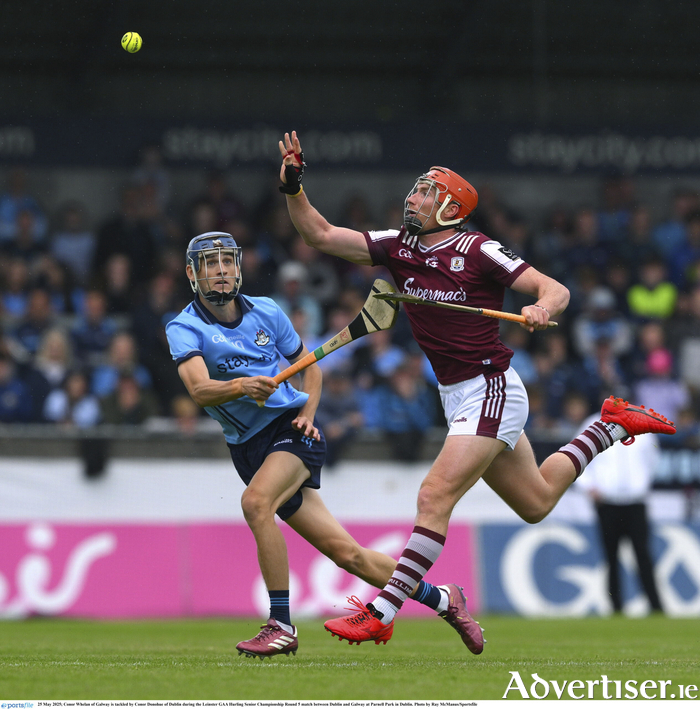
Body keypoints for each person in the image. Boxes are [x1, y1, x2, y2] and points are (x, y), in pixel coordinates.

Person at [277, 130, 677, 647]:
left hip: (490, 387)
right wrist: (293, 188)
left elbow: (556, 289)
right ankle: (609, 425)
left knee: (433, 494)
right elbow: (322, 235)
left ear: (448, 205)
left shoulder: (479, 249)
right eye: (414, 190)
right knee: (535, 502)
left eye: (423, 192)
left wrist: (540, 308)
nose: (411, 198)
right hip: (458, 397)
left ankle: (381, 611)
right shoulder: (397, 248)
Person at [165, 231, 484, 660]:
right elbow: (200, 391)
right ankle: (445, 598)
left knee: (256, 504)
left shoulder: (267, 312)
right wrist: (242, 385)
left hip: (291, 432)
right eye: (210, 264)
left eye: (227, 262)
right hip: (248, 448)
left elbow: (310, 370)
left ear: (238, 266)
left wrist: (308, 415)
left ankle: (280, 624)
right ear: (193, 273)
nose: (221, 272)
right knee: (349, 555)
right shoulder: (184, 327)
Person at [575, 414, 664, 615]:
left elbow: (653, 459)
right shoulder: (591, 423)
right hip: (607, 502)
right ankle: (616, 608)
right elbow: (579, 455)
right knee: (611, 557)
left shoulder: (642, 423)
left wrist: (642, 484)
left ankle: (656, 606)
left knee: (643, 555)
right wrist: (589, 486)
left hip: (635, 501)